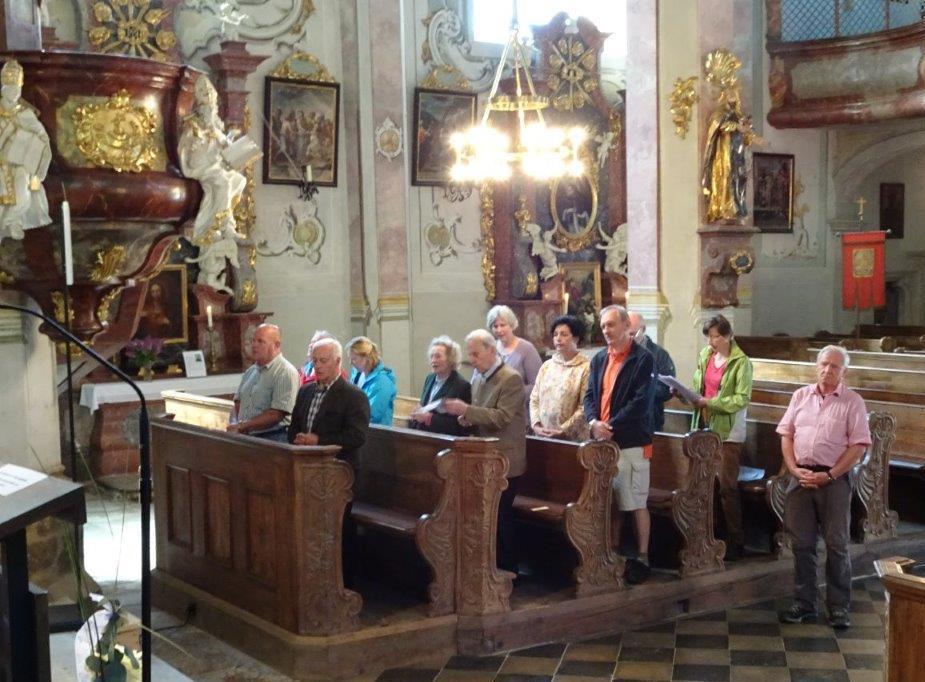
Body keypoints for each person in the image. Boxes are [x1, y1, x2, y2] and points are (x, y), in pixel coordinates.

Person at [776, 346, 871, 630]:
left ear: (844, 372)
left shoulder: (853, 402)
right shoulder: (800, 396)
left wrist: (830, 475)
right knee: (802, 544)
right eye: (824, 364)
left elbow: (858, 446)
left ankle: (839, 608)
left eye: (835, 366)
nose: (828, 370)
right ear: (817, 366)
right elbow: (786, 434)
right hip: (801, 477)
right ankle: (805, 604)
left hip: (834, 480)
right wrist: (793, 469)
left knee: (836, 544)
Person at [583, 305, 655, 583]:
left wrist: (610, 426)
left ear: (626, 326)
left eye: (611, 324)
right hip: (603, 441)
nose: (606, 330)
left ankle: (643, 556)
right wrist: (593, 423)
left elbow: (641, 402)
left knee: (635, 500)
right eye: (603, 326)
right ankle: (611, 553)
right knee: (611, 500)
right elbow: (590, 395)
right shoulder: (600, 358)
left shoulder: (642, 359)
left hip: (631, 440)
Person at [443, 329, 525, 573]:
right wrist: (467, 419)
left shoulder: (511, 379)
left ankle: (509, 569)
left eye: (476, 354)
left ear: (491, 350)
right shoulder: (478, 377)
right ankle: (489, 567)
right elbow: (481, 412)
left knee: (501, 515)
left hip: (505, 459)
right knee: (485, 515)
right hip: (483, 458)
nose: (472, 360)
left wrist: (467, 410)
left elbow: (502, 417)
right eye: (469, 354)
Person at [691, 314, 752, 561]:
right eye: (709, 336)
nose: (711, 342)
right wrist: (687, 394)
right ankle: (710, 535)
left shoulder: (741, 362)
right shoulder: (706, 356)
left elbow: (741, 398)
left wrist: (711, 403)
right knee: (707, 485)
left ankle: (736, 540)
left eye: (715, 337)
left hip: (729, 432)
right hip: (706, 426)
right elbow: (700, 385)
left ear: (728, 336)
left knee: (727, 488)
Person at [179, 76, 247, 242]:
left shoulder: (215, 127)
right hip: (201, 165)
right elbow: (187, 147)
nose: (212, 111)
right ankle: (217, 227)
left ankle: (224, 223)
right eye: (209, 109)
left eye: (213, 108)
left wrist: (227, 140)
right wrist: (204, 136)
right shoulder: (192, 125)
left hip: (215, 165)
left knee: (240, 180)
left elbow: (223, 146)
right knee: (223, 183)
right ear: (201, 109)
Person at [0, 59, 52, 244]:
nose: (13, 92)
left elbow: (44, 141)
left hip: (20, 166)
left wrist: (38, 173)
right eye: (9, 87)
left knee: (23, 197)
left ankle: (11, 219)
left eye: (16, 88)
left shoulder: (26, 114)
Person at [228, 324, 299, 441]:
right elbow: (238, 402)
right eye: (253, 340)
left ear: (276, 345)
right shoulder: (251, 371)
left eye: (261, 341)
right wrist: (237, 425)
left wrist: (243, 425)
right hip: (247, 436)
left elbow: (276, 414)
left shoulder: (285, 371)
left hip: (273, 437)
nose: (254, 345)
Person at [529, 315, 590, 441]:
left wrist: (562, 430)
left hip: (570, 438)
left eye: (564, 334)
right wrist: (536, 424)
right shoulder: (547, 366)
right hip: (542, 434)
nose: (558, 338)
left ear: (576, 338)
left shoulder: (585, 367)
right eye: (555, 334)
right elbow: (534, 398)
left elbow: (584, 406)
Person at [487, 305, 542, 422]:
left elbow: (537, 385)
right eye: (495, 326)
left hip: (520, 414)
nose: (499, 330)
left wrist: (510, 396)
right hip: (494, 414)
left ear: (511, 325)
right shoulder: (491, 348)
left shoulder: (527, 349)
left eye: (503, 325)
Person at [410, 336, 472, 436]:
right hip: (423, 436)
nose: (433, 360)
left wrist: (429, 418)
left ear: (450, 359)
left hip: (443, 440)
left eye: (438, 356)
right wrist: (419, 410)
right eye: (431, 356)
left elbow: (459, 425)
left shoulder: (461, 385)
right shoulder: (430, 378)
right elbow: (426, 405)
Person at [627, 312, 676, 434]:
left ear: (643, 329)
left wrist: (641, 391)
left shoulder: (659, 354)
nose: (629, 338)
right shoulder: (619, 352)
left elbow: (667, 388)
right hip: (624, 421)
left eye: (632, 334)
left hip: (650, 420)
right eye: (626, 333)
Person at [346, 336, 397, 426]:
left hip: (376, 432)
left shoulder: (382, 381)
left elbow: (372, 414)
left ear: (365, 357)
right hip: (357, 427)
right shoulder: (357, 374)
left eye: (354, 359)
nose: (350, 362)